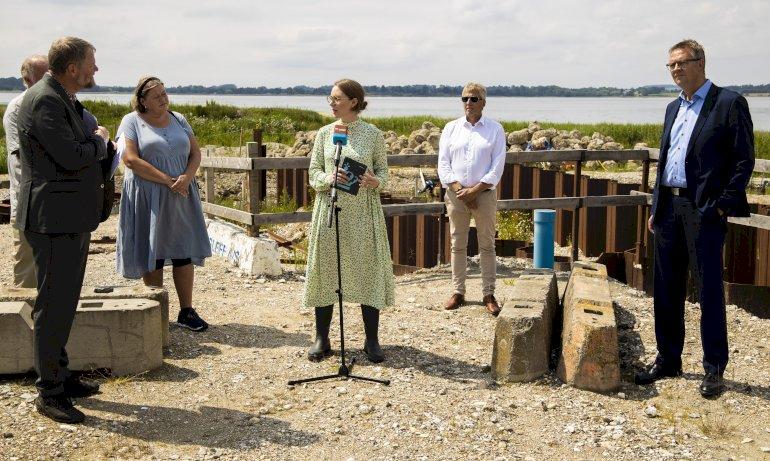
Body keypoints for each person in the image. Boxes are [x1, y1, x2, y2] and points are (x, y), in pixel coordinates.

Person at [635, 39, 754, 398]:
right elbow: (665, 160)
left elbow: (743, 161)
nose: (676, 70)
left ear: (700, 62)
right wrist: (656, 207)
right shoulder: (673, 107)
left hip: (703, 210)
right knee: (666, 288)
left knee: (708, 290)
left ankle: (714, 367)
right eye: (670, 65)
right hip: (669, 208)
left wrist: (720, 206)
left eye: (682, 63)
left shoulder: (729, 103)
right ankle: (668, 359)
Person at [16, 37, 109, 424]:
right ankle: (49, 393)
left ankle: (61, 375)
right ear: (72, 68)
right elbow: (70, 156)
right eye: (92, 63)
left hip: (67, 218)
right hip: (53, 220)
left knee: (63, 303)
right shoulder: (45, 100)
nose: (96, 70)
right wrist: (101, 143)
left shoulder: (60, 96)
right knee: (53, 306)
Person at [303, 78, 395, 363]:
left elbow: (384, 172)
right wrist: (328, 178)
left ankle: (372, 340)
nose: (331, 103)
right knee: (326, 269)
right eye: (330, 99)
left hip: (363, 214)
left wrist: (374, 180)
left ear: (354, 101)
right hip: (329, 211)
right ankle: (322, 338)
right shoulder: (324, 134)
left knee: (367, 268)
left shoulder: (373, 134)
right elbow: (313, 172)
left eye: (337, 98)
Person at [116, 76, 212, 332]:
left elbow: (195, 152)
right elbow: (130, 160)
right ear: (142, 101)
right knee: (153, 250)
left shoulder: (179, 118)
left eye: (164, 92)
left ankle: (187, 311)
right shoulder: (131, 121)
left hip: (181, 193)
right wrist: (167, 180)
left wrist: (188, 176)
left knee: (183, 249)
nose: (163, 98)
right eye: (156, 95)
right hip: (148, 195)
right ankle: (157, 311)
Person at [437, 82, 506, 316]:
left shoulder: (495, 130)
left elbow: (497, 167)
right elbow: (443, 164)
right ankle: (458, 292)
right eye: (465, 98)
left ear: (483, 102)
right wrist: (460, 191)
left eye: (474, 99)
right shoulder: (451, 128)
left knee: (487, 245)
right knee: (457, 244)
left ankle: (488, 293)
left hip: (484, 195)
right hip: (456, 196)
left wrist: (475, 191)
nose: (468, 103)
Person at [3, 55, 48, 288]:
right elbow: (22, 154)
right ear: (27, 80)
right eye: (44, 76)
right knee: (27, 268)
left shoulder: (57, 104)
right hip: (27, 201)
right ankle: (22, 321)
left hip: (52, 202)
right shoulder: (17, 108)